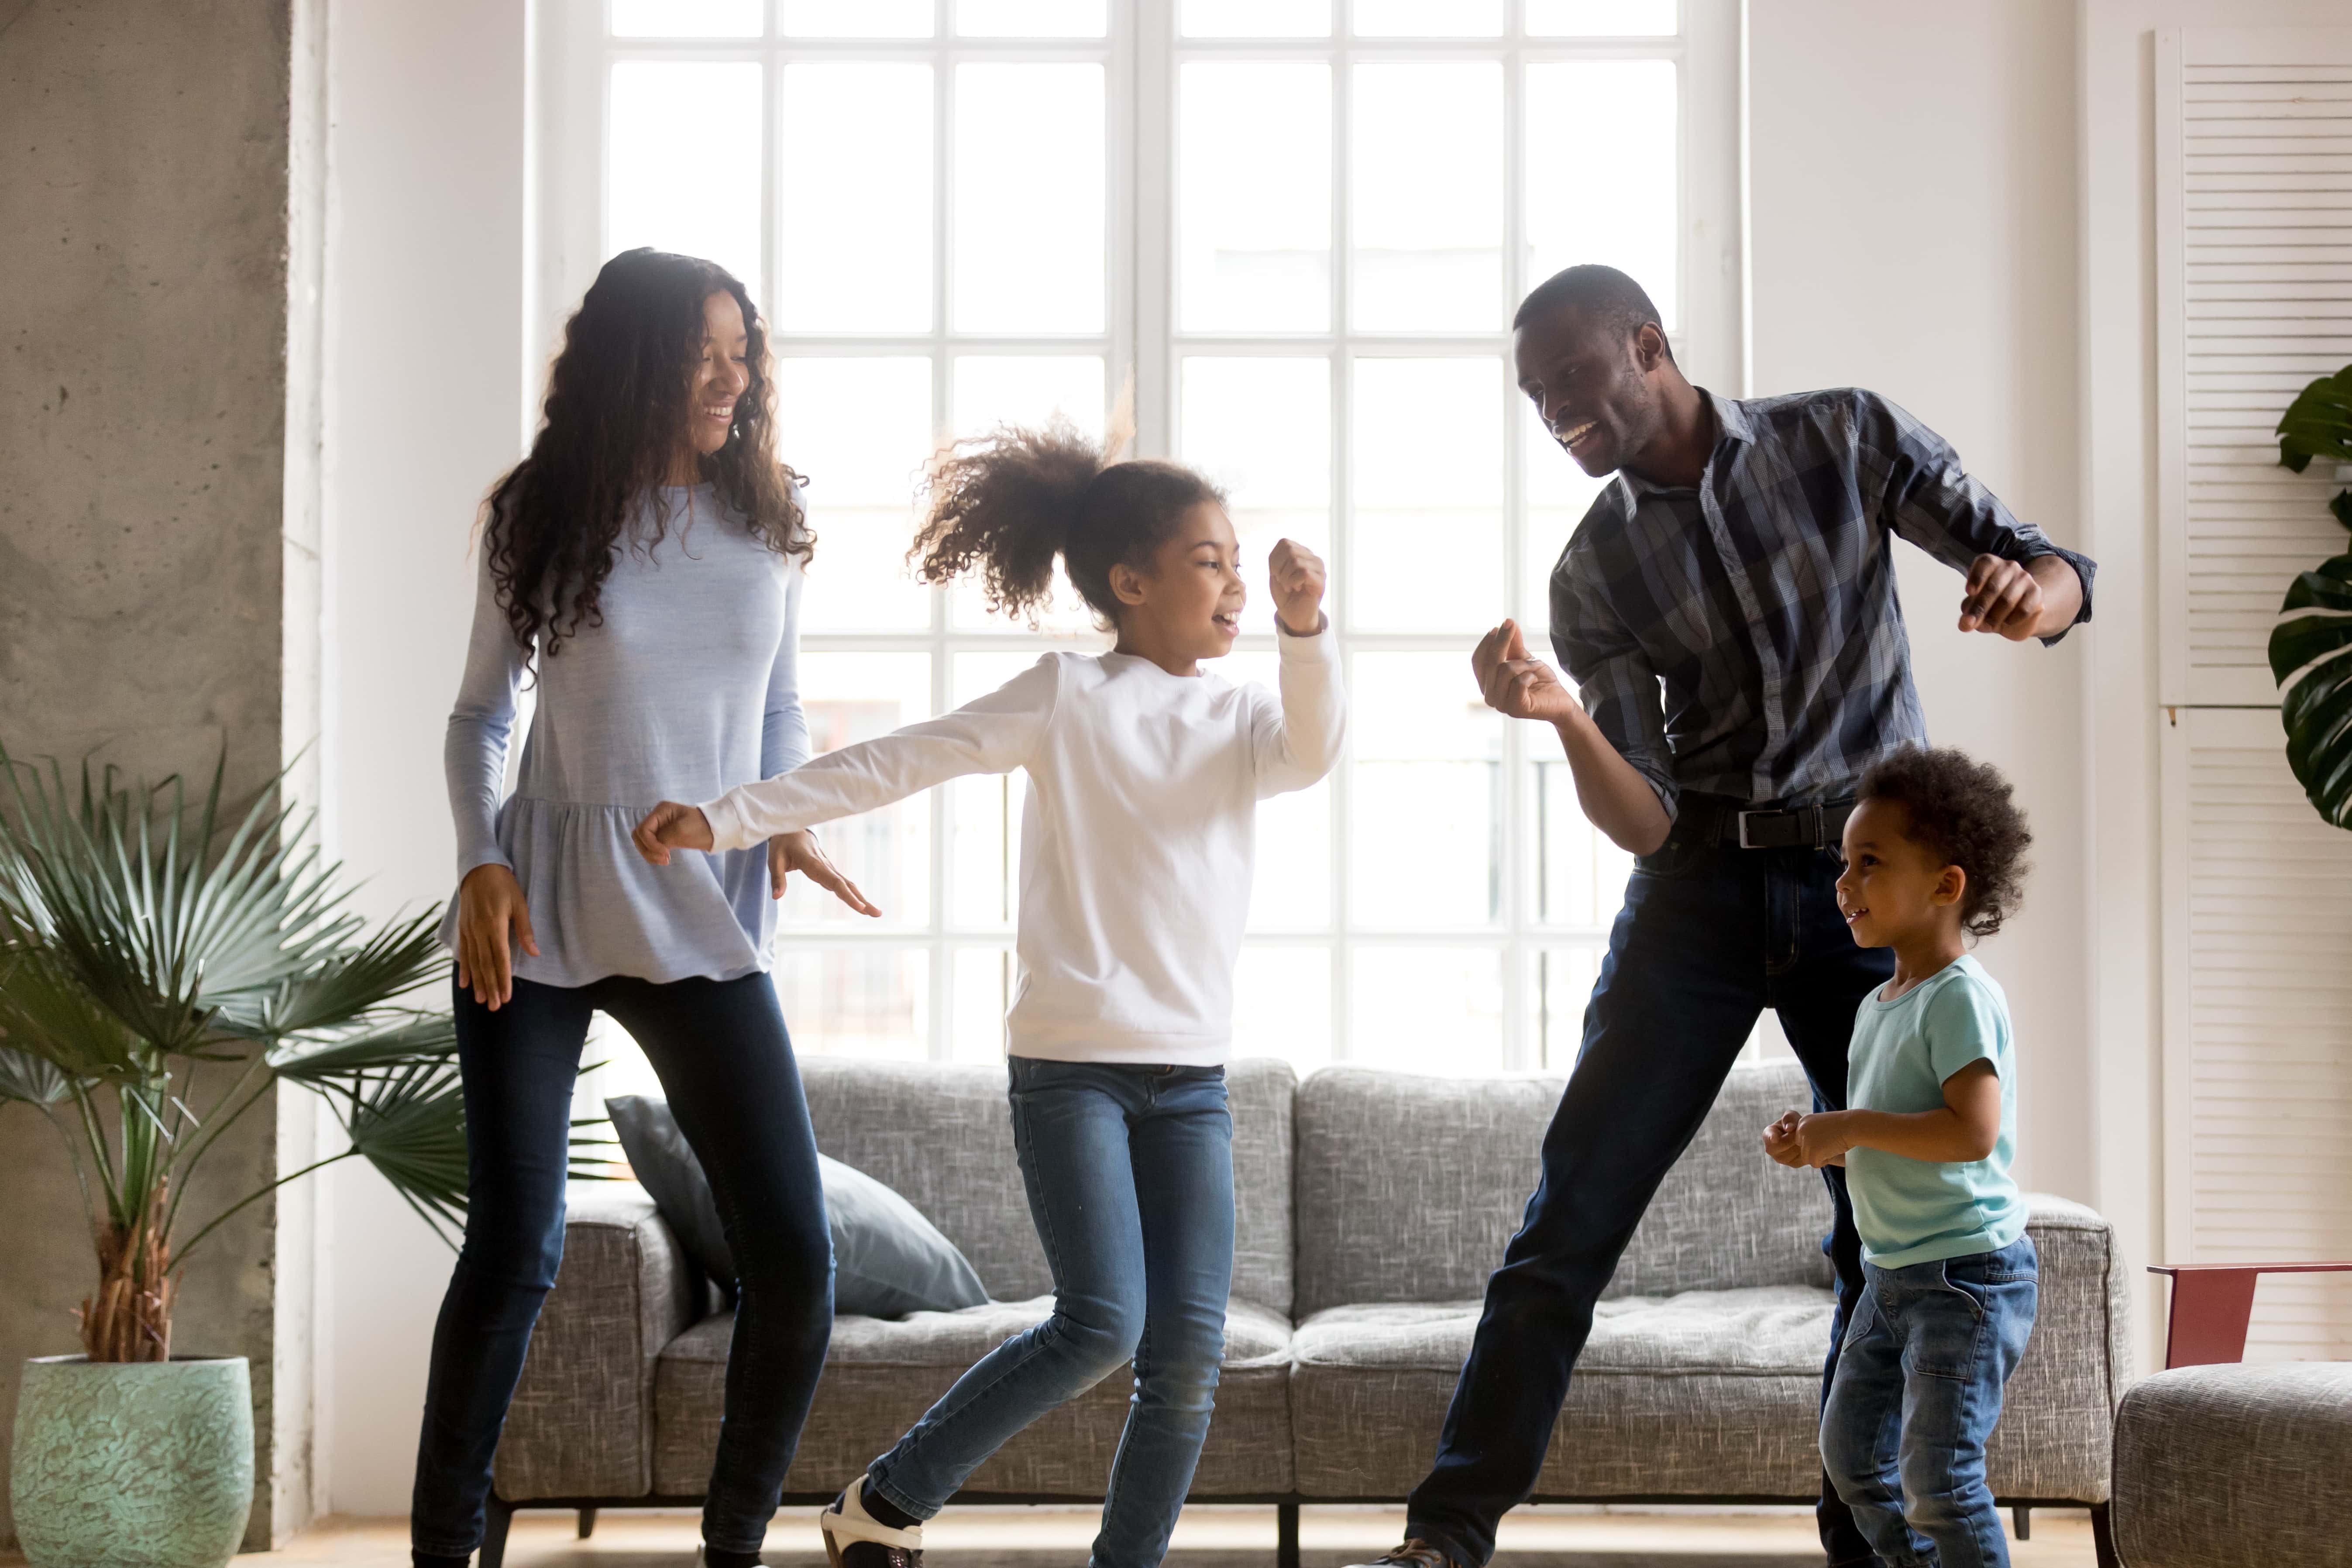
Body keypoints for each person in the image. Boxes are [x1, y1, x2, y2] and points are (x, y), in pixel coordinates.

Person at [1347, 264, 2095, 1568]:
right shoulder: (1595, 569)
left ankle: (1864, 1537)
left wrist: (2032, 598)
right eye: (1535, 397)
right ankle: (1445, 1536)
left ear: (1647, 344)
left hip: (1864, 887)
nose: (1556, 413)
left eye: (1573, 378)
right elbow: (1644, 818)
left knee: (1881, 1228)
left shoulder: (1842, 436)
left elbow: (2050, 566)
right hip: (1696, 889)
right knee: (1569, 1217)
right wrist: (1563, 716)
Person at [633, 420, 1345, 1568]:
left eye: (1236, 561)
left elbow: (1312, 750)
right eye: (1208, 561)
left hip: (1193, 1080)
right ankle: (888, 1496)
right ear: (1131, 582)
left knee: (1188, 1358)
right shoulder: (1068, 693)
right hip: (1072, 1071)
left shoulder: (1243, 716)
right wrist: (726, 818)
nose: (1235, 584)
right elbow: (901, 756)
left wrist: (1306, 632)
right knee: (1102, 1321)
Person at [416, 248, 876, 1568]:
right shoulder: (542, 511)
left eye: (742, 353)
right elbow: (480, 716)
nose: (731, 378)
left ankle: (732, 1545)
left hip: (700, 907)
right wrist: (479, 860)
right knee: (516, 1247)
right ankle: (442, 1551)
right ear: (635, 362)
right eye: (700, 355)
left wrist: (781, 814)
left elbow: (778, 704)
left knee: (794, 1259)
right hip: (539, 914)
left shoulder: (769, 512)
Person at [1764, 746, 2038, 1568]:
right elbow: (1891, 1144)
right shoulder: (1878, 1006)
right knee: (1852, 1459)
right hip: (1890, 1273)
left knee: (1940, 1481)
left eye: (1870, 863)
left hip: (1964, 1279)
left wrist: (1849, 1126)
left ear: (1946, 886)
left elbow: (1969, 1134)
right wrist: (1816, 1144)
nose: (1843, 883)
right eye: (1845, 863)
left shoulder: (1960, 998)